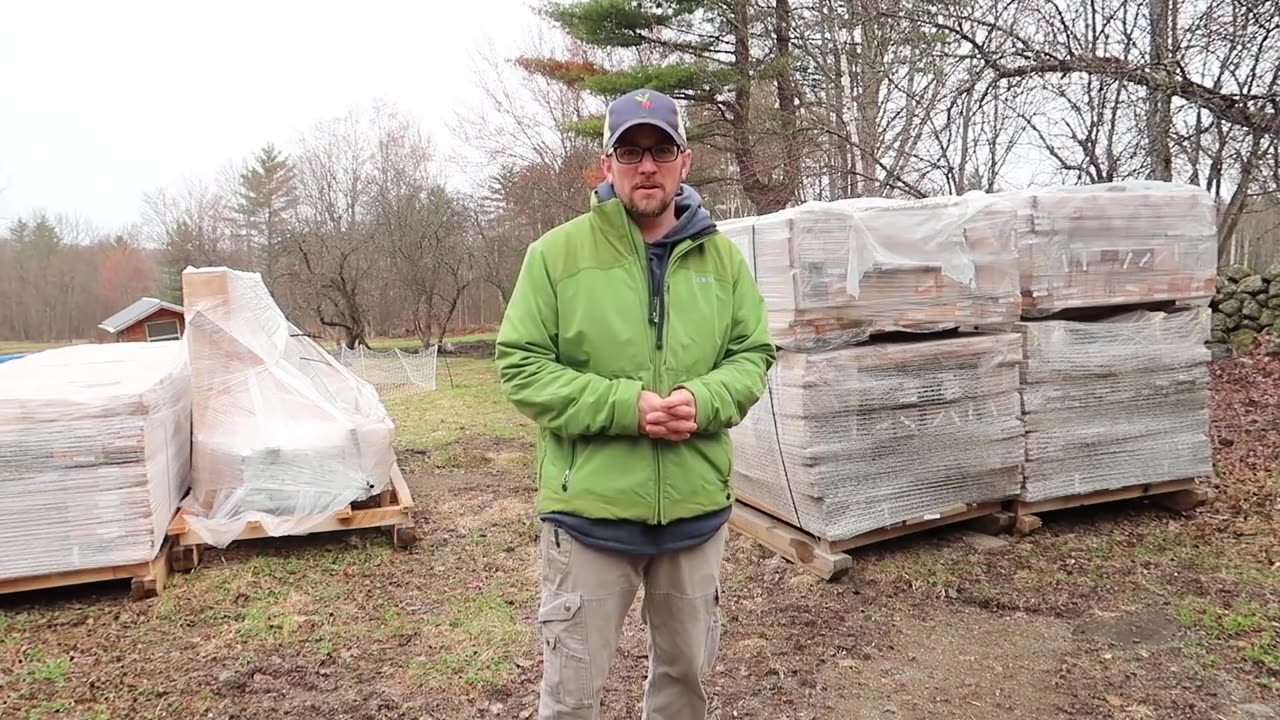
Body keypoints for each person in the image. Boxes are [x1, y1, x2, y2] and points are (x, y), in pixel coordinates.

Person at [494, 88, 776, 719]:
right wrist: (626, 406)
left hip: (693, 516)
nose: (646, 165)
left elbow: (752, 354)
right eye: (630, 151)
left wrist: (702, 400)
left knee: (684, 684)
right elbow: (521, 365)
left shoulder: (723, 261)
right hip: (590, 516)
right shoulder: (556, 256)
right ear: (607, 165)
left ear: (685, 161)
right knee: (571, 696)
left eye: (660, 150)